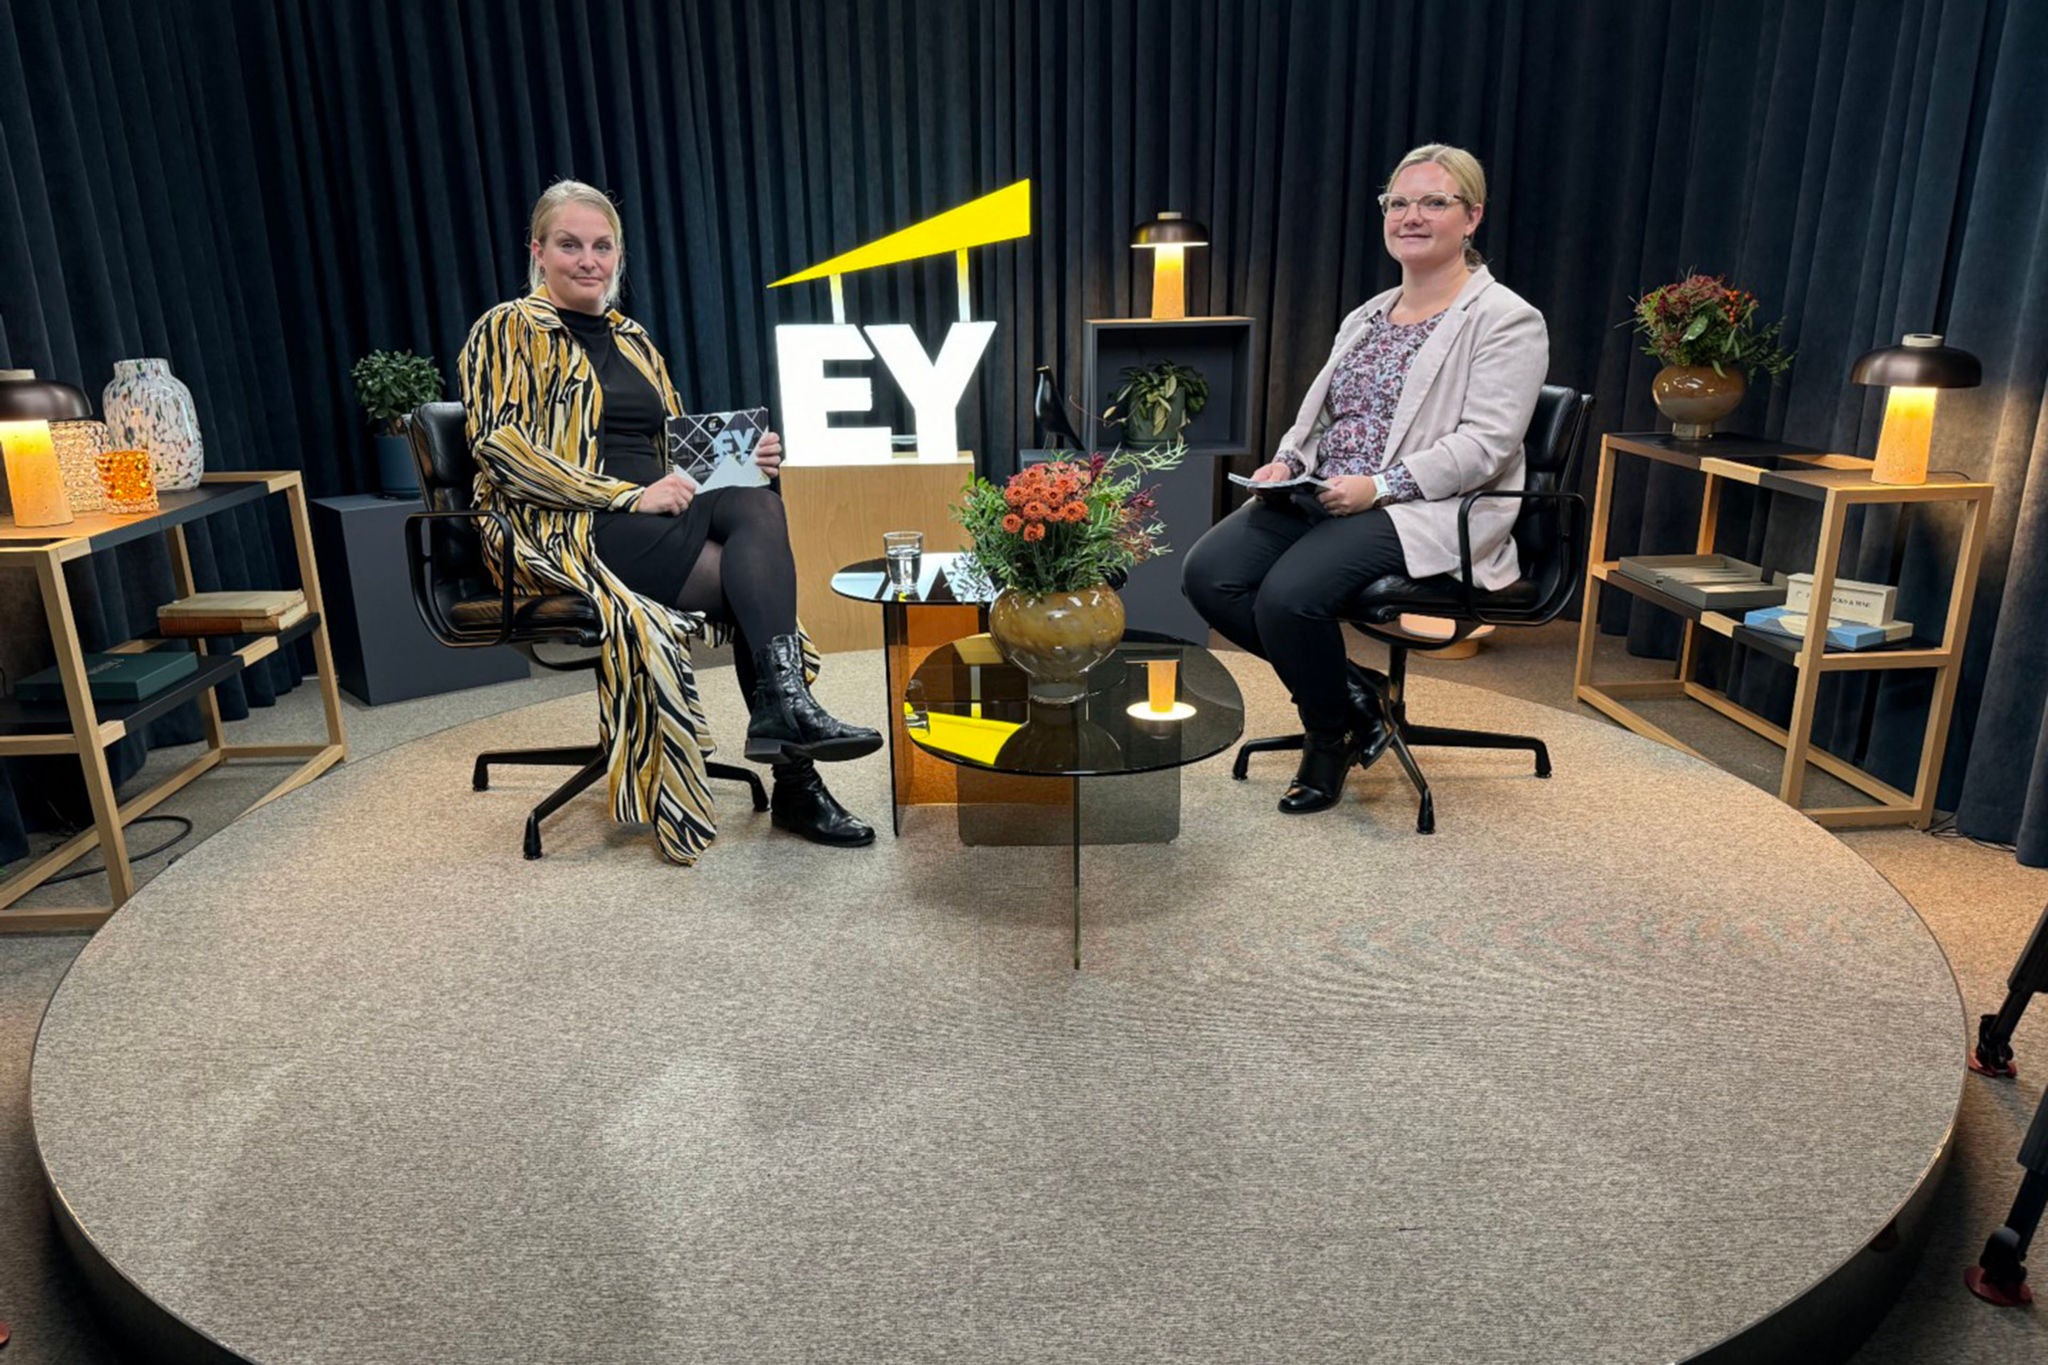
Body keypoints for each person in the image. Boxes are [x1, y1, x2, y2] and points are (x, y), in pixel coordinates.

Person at [458, 180, 881, 865]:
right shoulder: (505, 328)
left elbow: (676, 448)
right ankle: (796, 764)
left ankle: (785, 713)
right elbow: (500, 449)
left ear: (618, 256)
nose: (588, 260)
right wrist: (625, 496)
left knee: (756, 502)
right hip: (565, 523)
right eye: (570, 245)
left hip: (657, 504)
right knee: (751, 586)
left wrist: (746, 460)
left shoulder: (634, 338)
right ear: (539, 251)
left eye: (602, 246)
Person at [1181, 144, 1548, 814]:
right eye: (1399, 203)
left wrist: (1379, 487)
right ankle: (1355, 694)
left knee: (1287, 598)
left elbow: (1486, 445)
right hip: (1327, 490)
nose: (1412, 216)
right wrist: (1288, 462)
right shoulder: (1369, 314)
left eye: (1434, 202)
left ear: (1472, 217)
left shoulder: (1506, 319)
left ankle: (1328, 735)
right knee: (1208, 574)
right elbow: (1324, 415)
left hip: (1421, 504)